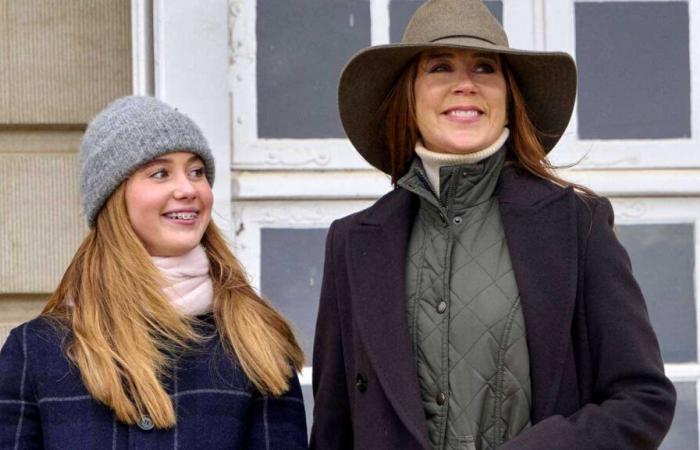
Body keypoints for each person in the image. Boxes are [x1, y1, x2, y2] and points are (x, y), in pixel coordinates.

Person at [310, 1, 676, 449]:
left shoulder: (577, 226)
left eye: (484, 68)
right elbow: (333, 430)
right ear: (408, 95)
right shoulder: (352, 244)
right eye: (439, 68)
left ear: (508, 96)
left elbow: (643, 399)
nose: (464, 85)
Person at [0, 96, 308, 449]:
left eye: (197, 172)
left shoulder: (254, 341)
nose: (188, 189)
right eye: (160, 173)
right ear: (113, 197)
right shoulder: (36, 351)